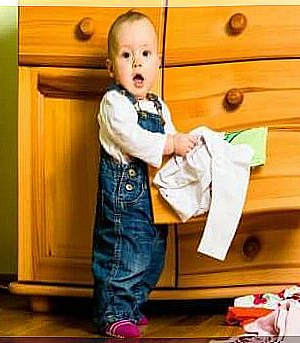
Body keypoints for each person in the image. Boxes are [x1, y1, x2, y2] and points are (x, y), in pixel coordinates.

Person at [91, 10, 197, 338]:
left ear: (157, 63)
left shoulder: (158, 105)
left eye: (145, 54)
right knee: (124, 254)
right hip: (124, 202)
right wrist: (170, 143)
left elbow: (172, 140)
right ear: (111, 67)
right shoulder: (114, 103)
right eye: (126, 55)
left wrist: (188, 147)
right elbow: (133, 138)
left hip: (152, 196)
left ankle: (133, 305)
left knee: (152, 256)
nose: (137, 63)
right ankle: (113, 312)